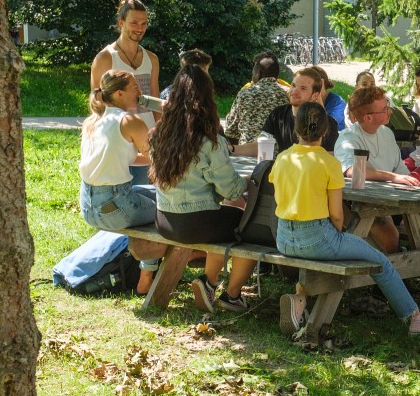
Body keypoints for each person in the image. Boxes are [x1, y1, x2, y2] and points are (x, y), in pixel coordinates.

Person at [272, 102, 420, 337]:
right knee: (381, 261)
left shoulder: (283, 158)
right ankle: (415, 319)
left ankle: (300, 299)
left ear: (296, 128)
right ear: (325, 131)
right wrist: (337, 234)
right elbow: (337, 215)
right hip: (318, 238)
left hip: (284, 239)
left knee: (339, 254)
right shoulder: (328, 163)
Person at [149, 65, 256, 313]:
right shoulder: (209, 141)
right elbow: (232, 190)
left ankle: (209, 283)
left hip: (164, 220)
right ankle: (231, 294)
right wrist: (252, 179)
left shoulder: (158, 135)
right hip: (196, 223)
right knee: (250, 227)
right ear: (208, 98)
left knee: (225, 218)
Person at [336, 86, 420, 253]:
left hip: (394, 201)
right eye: (384, 109)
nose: (390, 111)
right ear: (368, 117)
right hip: (364, 205)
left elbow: (402, 171)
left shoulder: (387, 134)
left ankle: (414, 262)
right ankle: (398, 266)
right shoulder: (348, 138)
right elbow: (352, 171)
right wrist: (392, 177)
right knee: (390, 238)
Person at [79, 69, 165, 294]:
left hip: (88, 206)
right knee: (168, 210)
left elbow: (125, 158)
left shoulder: (93, 120)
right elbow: (158, 158)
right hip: (116, 208)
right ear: (119, 94)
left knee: (147, 192)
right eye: (134, 87)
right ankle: (147, 276)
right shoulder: (129, 121)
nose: (140, 92)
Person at [90, 0, 161, 130]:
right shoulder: (105, 58)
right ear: (121, 22)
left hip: (149, 133)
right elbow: (97, 104)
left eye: (144, 23)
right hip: (118, 133)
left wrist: (160, 132)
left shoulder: (152, 59)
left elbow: (155, 101)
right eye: (134, 23)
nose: (140, 28)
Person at [235, 66, 339, 156]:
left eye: (303, 88)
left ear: (315, 95)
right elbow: (259, 146)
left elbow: (331, 156)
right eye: (293, 85)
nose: (294, 91)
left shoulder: (326, 123)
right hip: (283, 170)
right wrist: (231, 149)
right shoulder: (277, 115)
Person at [224, 52, 290, 145]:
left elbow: (230, 131)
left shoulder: (245, 93)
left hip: (247, 150)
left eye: (253, 72)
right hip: (279, 152)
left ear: (259, 73)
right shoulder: (288, 94)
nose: (252, 76)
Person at [309, 65, 347, 131]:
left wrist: (318, 97)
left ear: (321, 83)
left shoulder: (338, 103)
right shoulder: (307, 100)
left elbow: (327, 127)